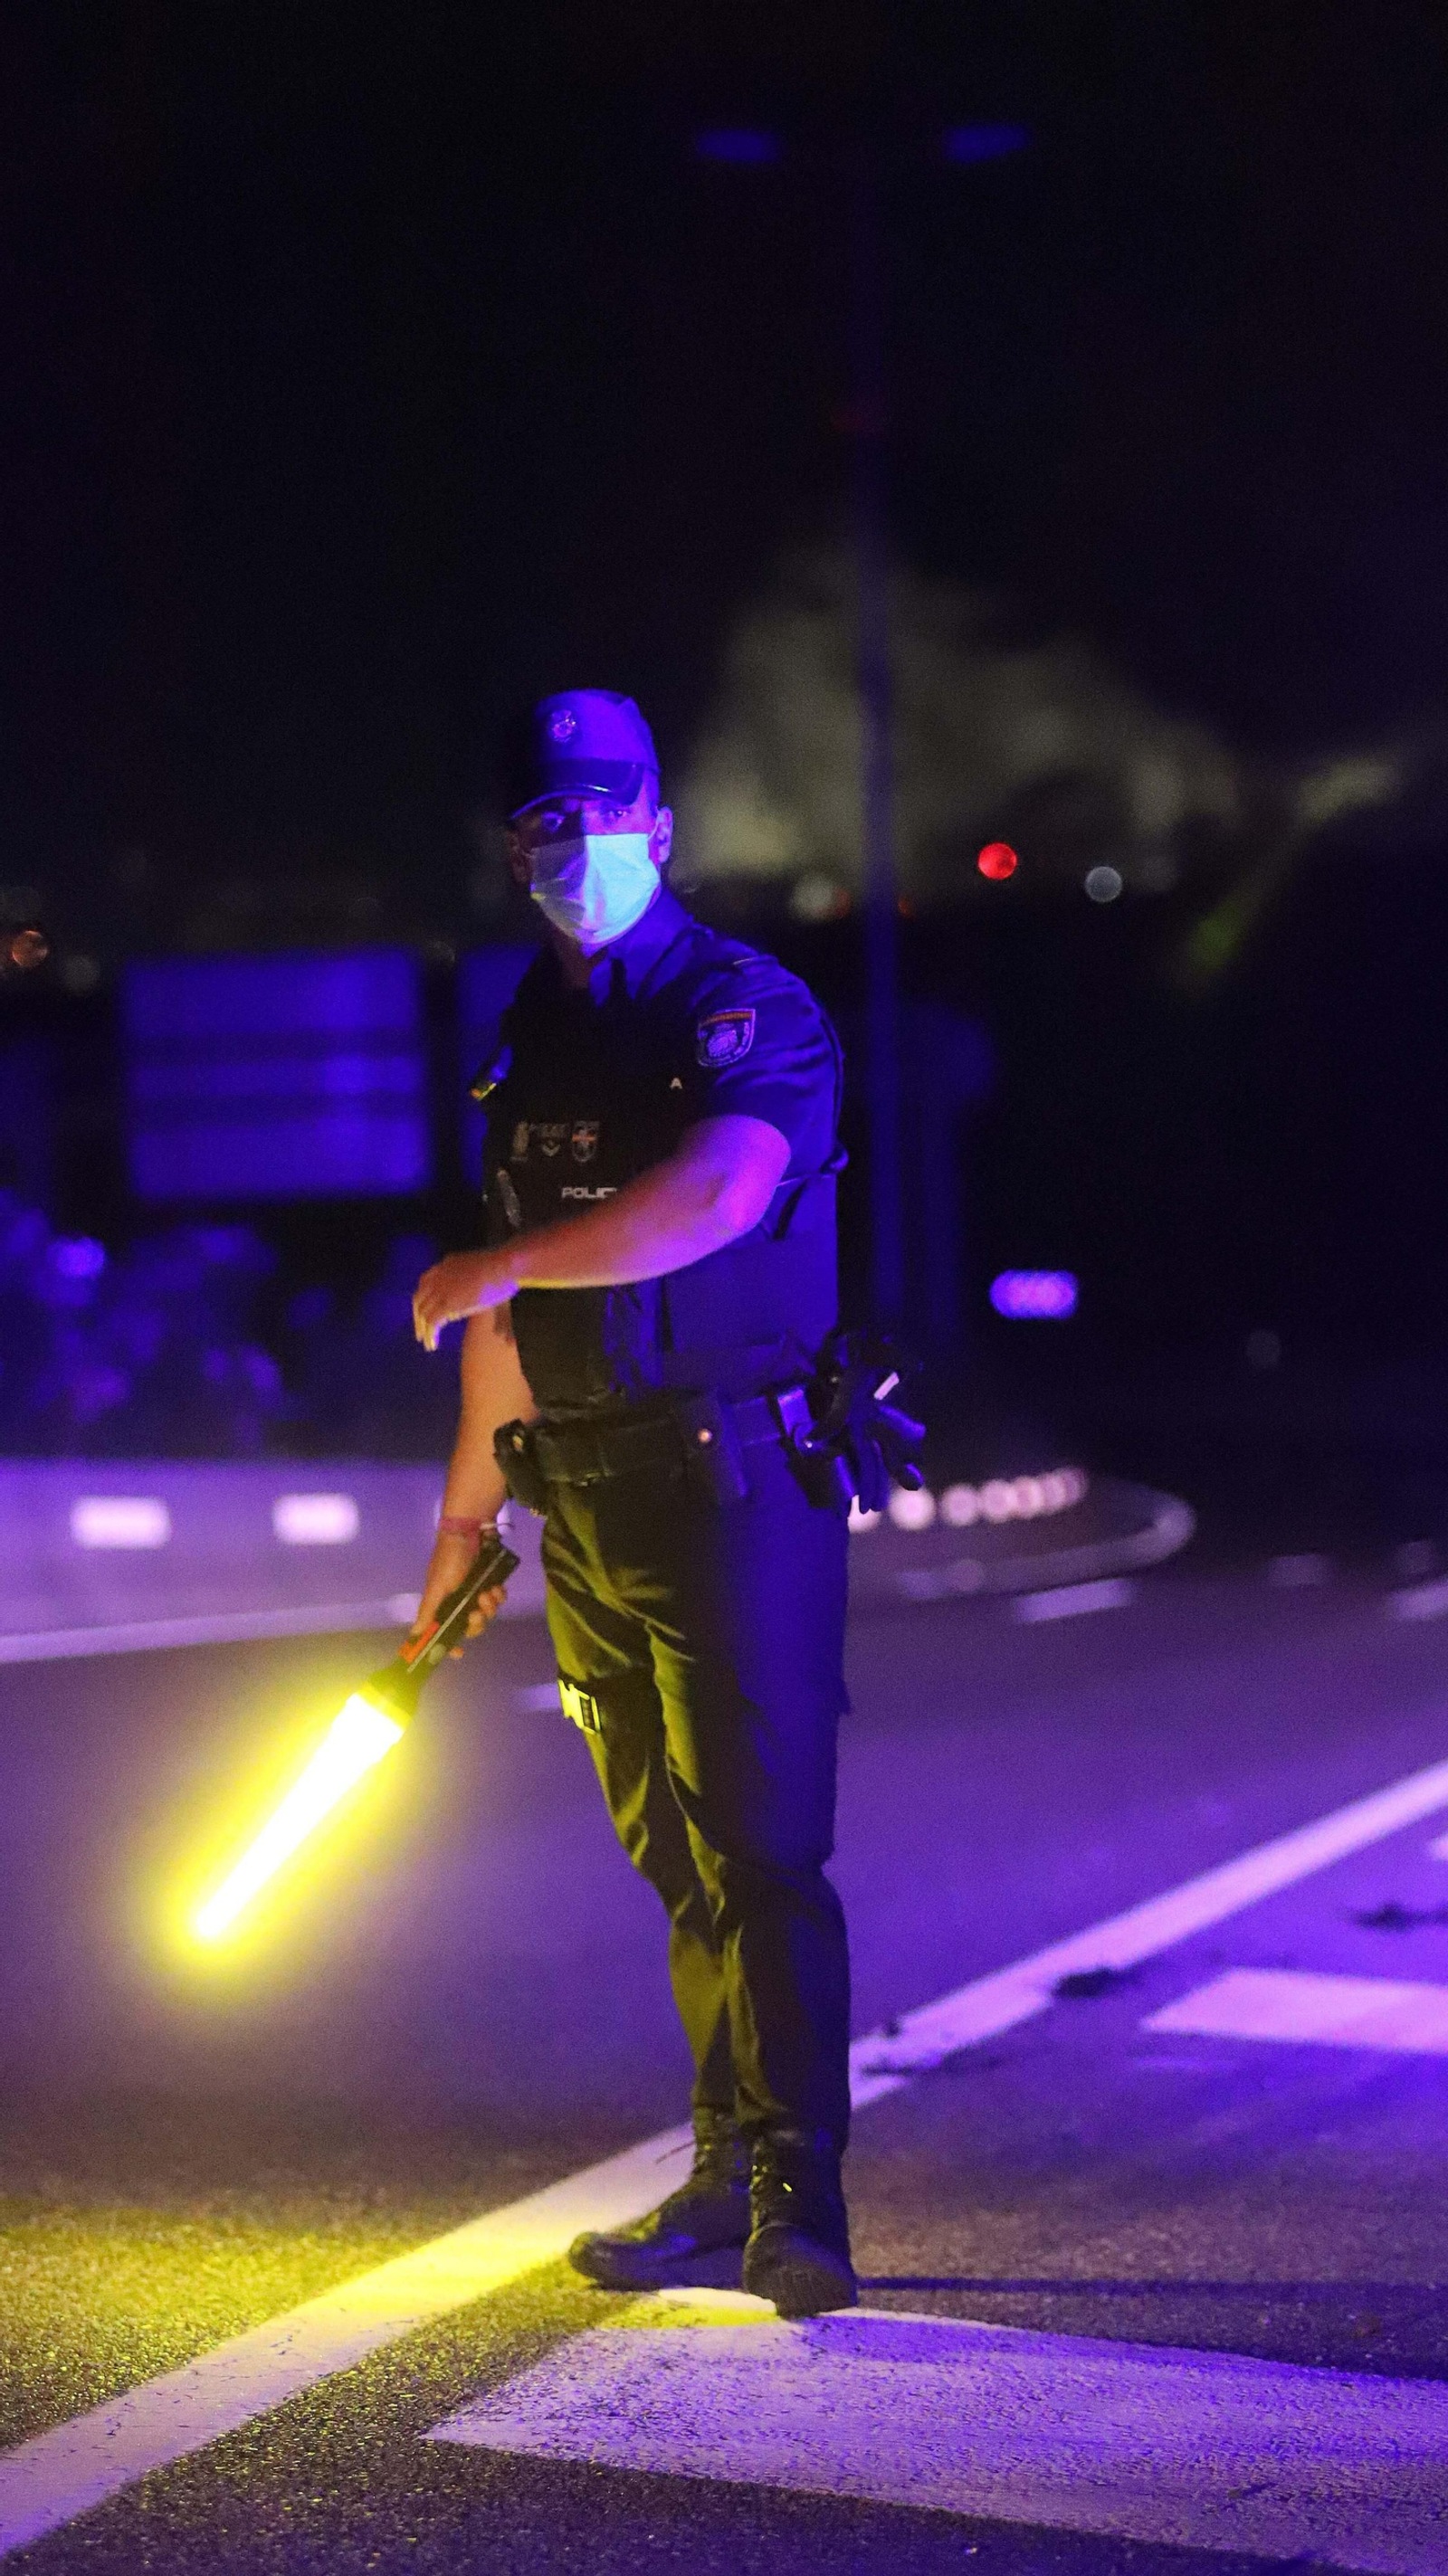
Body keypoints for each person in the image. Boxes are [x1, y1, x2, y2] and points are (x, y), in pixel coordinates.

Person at [410, 689, 872, 2318]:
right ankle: (721, 2169)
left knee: (764, 1851)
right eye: (541, 823)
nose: (569, 849)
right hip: (585, 1499)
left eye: (598, 817)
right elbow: (505, 1339)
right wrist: (463, 1538)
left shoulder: (746, 1008)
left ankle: (801, 2204)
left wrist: (502, 1261)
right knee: (674, 1857)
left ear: (660, 828)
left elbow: (720, 1195)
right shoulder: (527, 1035)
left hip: (732, 1478)